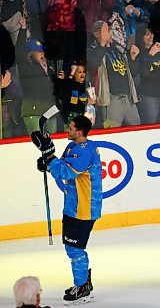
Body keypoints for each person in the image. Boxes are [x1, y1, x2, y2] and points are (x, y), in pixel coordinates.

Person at [30, 115, 102, 304]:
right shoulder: (73, 147)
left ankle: (82, 287)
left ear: (79, 132)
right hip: (72, 206)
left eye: (71, 128)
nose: (67, 130)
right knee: (72, 247)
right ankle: (84, 283)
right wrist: (47, 163)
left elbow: (66, 172)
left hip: (84, 209)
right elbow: (60, 167)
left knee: (75, 248)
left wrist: (49, 154)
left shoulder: (85, 152)